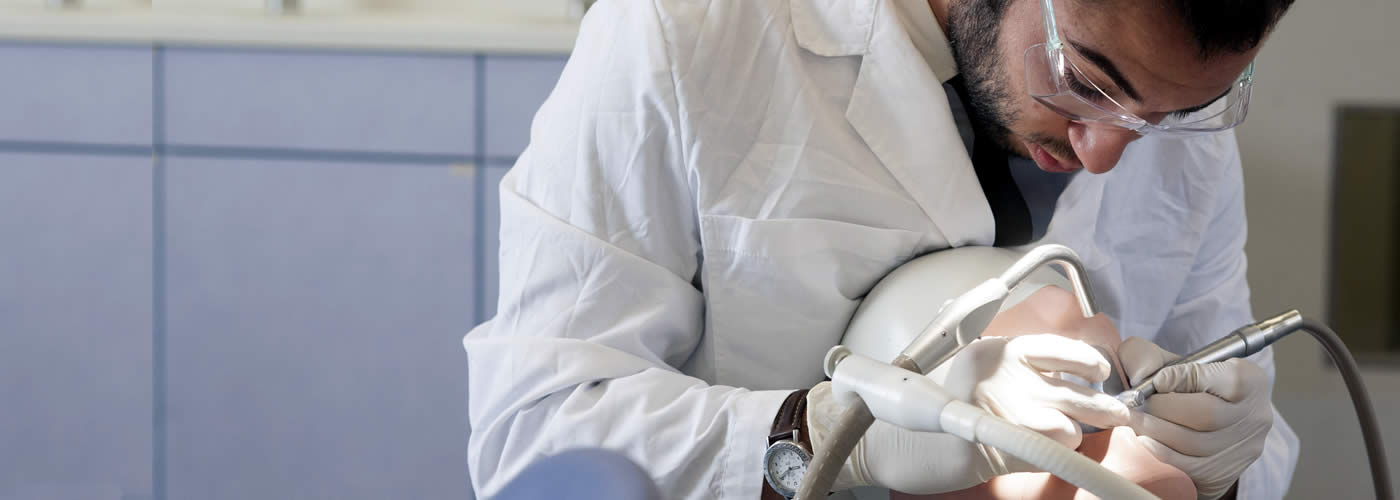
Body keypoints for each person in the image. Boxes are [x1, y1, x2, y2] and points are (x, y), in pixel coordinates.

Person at [463, 0, 1300, 498]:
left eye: (1175, 112)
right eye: (1086, 80)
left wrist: (1219, 465)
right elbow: (533, 434)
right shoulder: (691, 31)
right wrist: (829, 435)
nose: (1106, 151)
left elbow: (1227, 400)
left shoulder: (1161, 115)